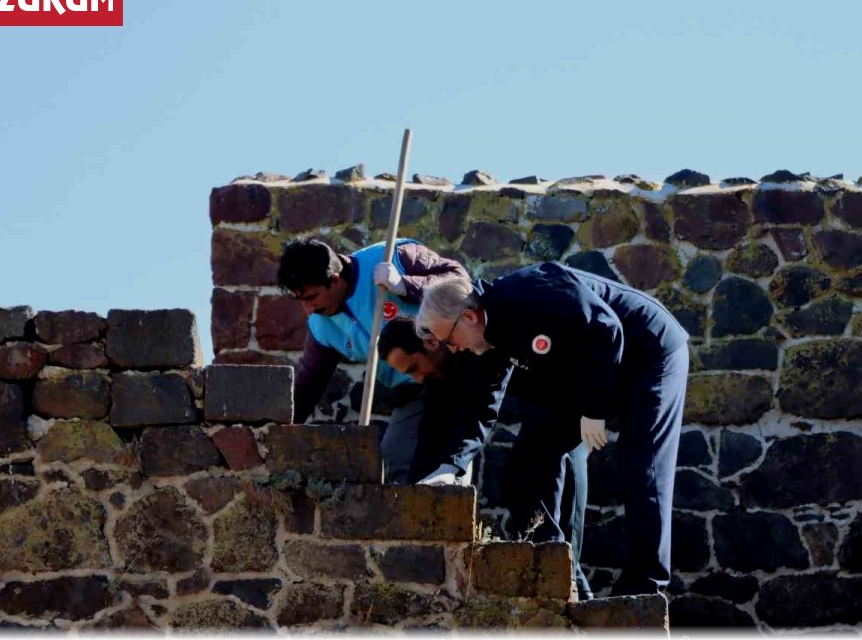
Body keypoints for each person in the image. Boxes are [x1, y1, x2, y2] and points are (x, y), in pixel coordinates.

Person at [414, 262, 688, 596]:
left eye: (450, 340)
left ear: (469, 317)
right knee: (523, 471)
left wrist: (594, 410)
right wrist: (451, 466)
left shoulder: (533, 291)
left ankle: (644, 587)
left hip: (647, 350)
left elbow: (607, 328)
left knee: (640, 465)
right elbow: (482, 404)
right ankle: (563, 579)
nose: (454, 349)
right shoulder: (484, 338)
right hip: (585, 372)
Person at [378, 317, 594, 600]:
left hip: (562, 410)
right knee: (518, 490)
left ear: (431, 343)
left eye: (415, 368)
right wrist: (416, 494)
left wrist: (452, 466)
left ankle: (578, 601)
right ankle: (569, 595)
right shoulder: (441, 377)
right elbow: (431, 436)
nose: (417, 378)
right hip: (539, 420)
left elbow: (480, 415)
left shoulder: (477, 347)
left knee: (547, 511)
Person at [276, 235, 468, 485]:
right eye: (300, 300)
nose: (307, 310)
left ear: (334, 281)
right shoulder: (321, 328)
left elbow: (459, 281)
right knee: (394, 463)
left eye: (310, 298)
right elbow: (307, 385)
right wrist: (278, 434)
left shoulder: (393, 257)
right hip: (410, 392)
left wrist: (406, 286)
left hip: (450, 372)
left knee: (450, 461)